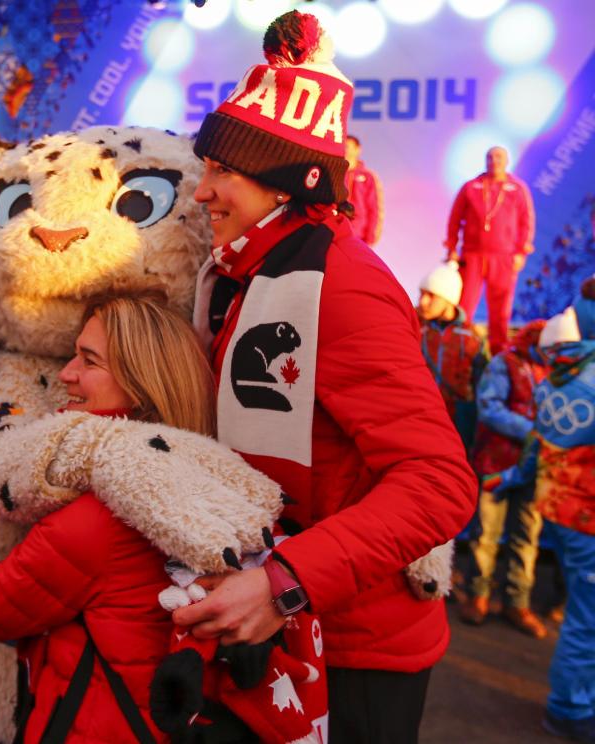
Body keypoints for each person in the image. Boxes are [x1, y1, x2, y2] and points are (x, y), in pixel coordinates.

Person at [168, 11, 477, 744]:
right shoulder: (241, 273)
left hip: (355, 648)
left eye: (222, 171)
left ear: (283, 184)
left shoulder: (341, 283)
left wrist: (285, 581)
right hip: (284, 627)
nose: (201, 191)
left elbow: (439, 483)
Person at [0, 294, 325, 743]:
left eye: (89, 360)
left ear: (142, 385)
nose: (67, 373)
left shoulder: (97, 521)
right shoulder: (206, 474)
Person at [530, 280, 595, 742]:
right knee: (586, 620)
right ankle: (569, 709)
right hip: (587, 514)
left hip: (560, 507)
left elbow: (540, 446)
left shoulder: (556, 376)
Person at [461, 320, 550, 637]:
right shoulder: (505, 364)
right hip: (497, 462)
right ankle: (478, 595)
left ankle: (517, 601)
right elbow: (489, 407)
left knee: (526, 536)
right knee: (486, 533)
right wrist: (534, 431)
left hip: (534, 468)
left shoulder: (556, 369)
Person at [445, 146, 535, 354]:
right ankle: (457, 350)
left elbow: (526, 221)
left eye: (499, 157)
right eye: (490, 157)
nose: (494, 161)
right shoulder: (471, 186)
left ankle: (499, 354)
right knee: (464, 305)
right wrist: (451, 247)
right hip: (472, 255)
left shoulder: (517, 188)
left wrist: (521, 252)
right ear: (485, 160)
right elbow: (455, 218)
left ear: (507, 160)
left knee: (500, 309)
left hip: (503, 257)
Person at [417, 259, 490, 454]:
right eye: (421, 294)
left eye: (431, 296)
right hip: (414, 419)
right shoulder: (411, 325)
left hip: (454, 427)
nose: (423, 301)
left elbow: (481, 388)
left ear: (449, 299)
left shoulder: (472, 338)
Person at [343, 135, 383, 247]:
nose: (345, 150)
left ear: (358, 149)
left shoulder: (368, 176)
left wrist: (370, 237)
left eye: (348, 146)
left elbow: (374, 208)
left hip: (359, 235)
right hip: (336, 232)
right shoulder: (335, 173)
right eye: (343, 146)